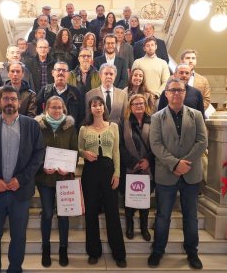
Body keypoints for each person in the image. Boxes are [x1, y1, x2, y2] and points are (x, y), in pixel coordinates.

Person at [0, 86, 45, 273]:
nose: (9, 102)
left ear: (19, 103)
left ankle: (15, 270)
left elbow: (38, 155)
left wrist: (21, 179)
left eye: (13, 99)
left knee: (19, 237)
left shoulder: (31, 126)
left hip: (19, 194)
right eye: (5, 98)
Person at [148, 78, 207, 269]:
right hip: (167, 174)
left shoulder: (196, 115)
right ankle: (158, 251)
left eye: (179, 90)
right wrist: (175, 164)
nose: (176, 93)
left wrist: (185, 163)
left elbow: (202, 142)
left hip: (191, 174)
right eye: (172, 90)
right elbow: (156, 145)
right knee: (163, 216)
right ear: (166, 93)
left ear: (185, 93)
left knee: (191, 216)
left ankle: (192, 252)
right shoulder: (157, 117)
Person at [78, 95, 127, 268]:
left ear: (104, 108)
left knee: (112, 212)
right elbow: (79, 149)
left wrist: (117, 174)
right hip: (90, 172)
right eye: (94, 105)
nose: (97, 108)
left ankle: (119, 253)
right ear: (90, 109)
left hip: (108, 170)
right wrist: (84, 154)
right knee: (91, 212)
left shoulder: (113, 126)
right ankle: (94, 251)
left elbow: (116, 152)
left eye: (100, 105)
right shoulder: (84, 129)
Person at [34, 96, 78, 268]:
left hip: (64, 178)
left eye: (60, 107)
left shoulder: (69, 127)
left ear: (64, 109)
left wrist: (69, 168)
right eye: (53, 107)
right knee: (46, 214)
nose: (57, 110)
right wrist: (41, 167)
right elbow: (34, 151)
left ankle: (63, 248)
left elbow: (74, 151)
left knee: (63, 215)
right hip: (44, 178)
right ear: (47, 109)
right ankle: (46, 248)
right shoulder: (38, 126)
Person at [119, 94, 154, 241]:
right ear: (130, 107)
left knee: (144, 200)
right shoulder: (123, 123)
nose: (138, 106)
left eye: (141, 104)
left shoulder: (154, 122)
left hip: (148, 168)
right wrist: (133, 163)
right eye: (135, 104)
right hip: (130, 167)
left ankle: (144, 227)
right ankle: (130, 226)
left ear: (145, 106)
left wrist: (148, 160)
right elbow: (120, 146)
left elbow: (158, 144)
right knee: (130, 199)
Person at [37, 61, 85, 130]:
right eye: (58, 70)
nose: (61, 73)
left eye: (64, 71)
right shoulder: (44, 91)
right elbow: (38, 114)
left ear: (68, 74)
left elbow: (81, 117)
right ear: (53, 73)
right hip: (48, 134)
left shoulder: (76, 93)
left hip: (69, 135)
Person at [0, 45, 34, 113]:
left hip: (23, 110)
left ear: (20, 56)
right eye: (12, 52)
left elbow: (31, 89)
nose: (15, 55)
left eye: (17, 53)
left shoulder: (26, 71)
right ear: (7, 55)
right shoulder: (0, 69)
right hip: (4, 109)